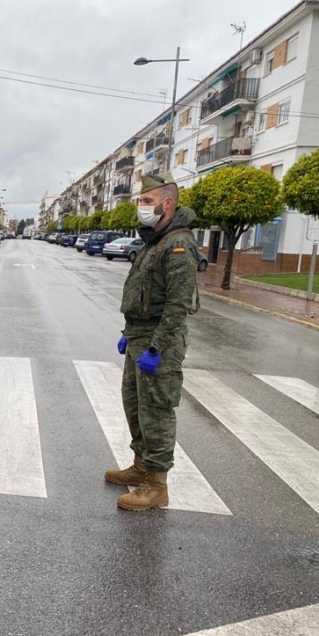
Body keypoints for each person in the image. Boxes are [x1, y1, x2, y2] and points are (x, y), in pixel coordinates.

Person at [105, 172, 200, 512]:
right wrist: (128, 334)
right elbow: (144, 293)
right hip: (139, 336)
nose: (141, 208)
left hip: (160, 341)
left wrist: (157, 348)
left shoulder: (178, 244)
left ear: (167, 203)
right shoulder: (154, 240)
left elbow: (177, 304)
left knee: (156, 410)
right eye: (141, 201)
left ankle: (157, 485)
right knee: (135, 404)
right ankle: (141, 464)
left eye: (147, 201)